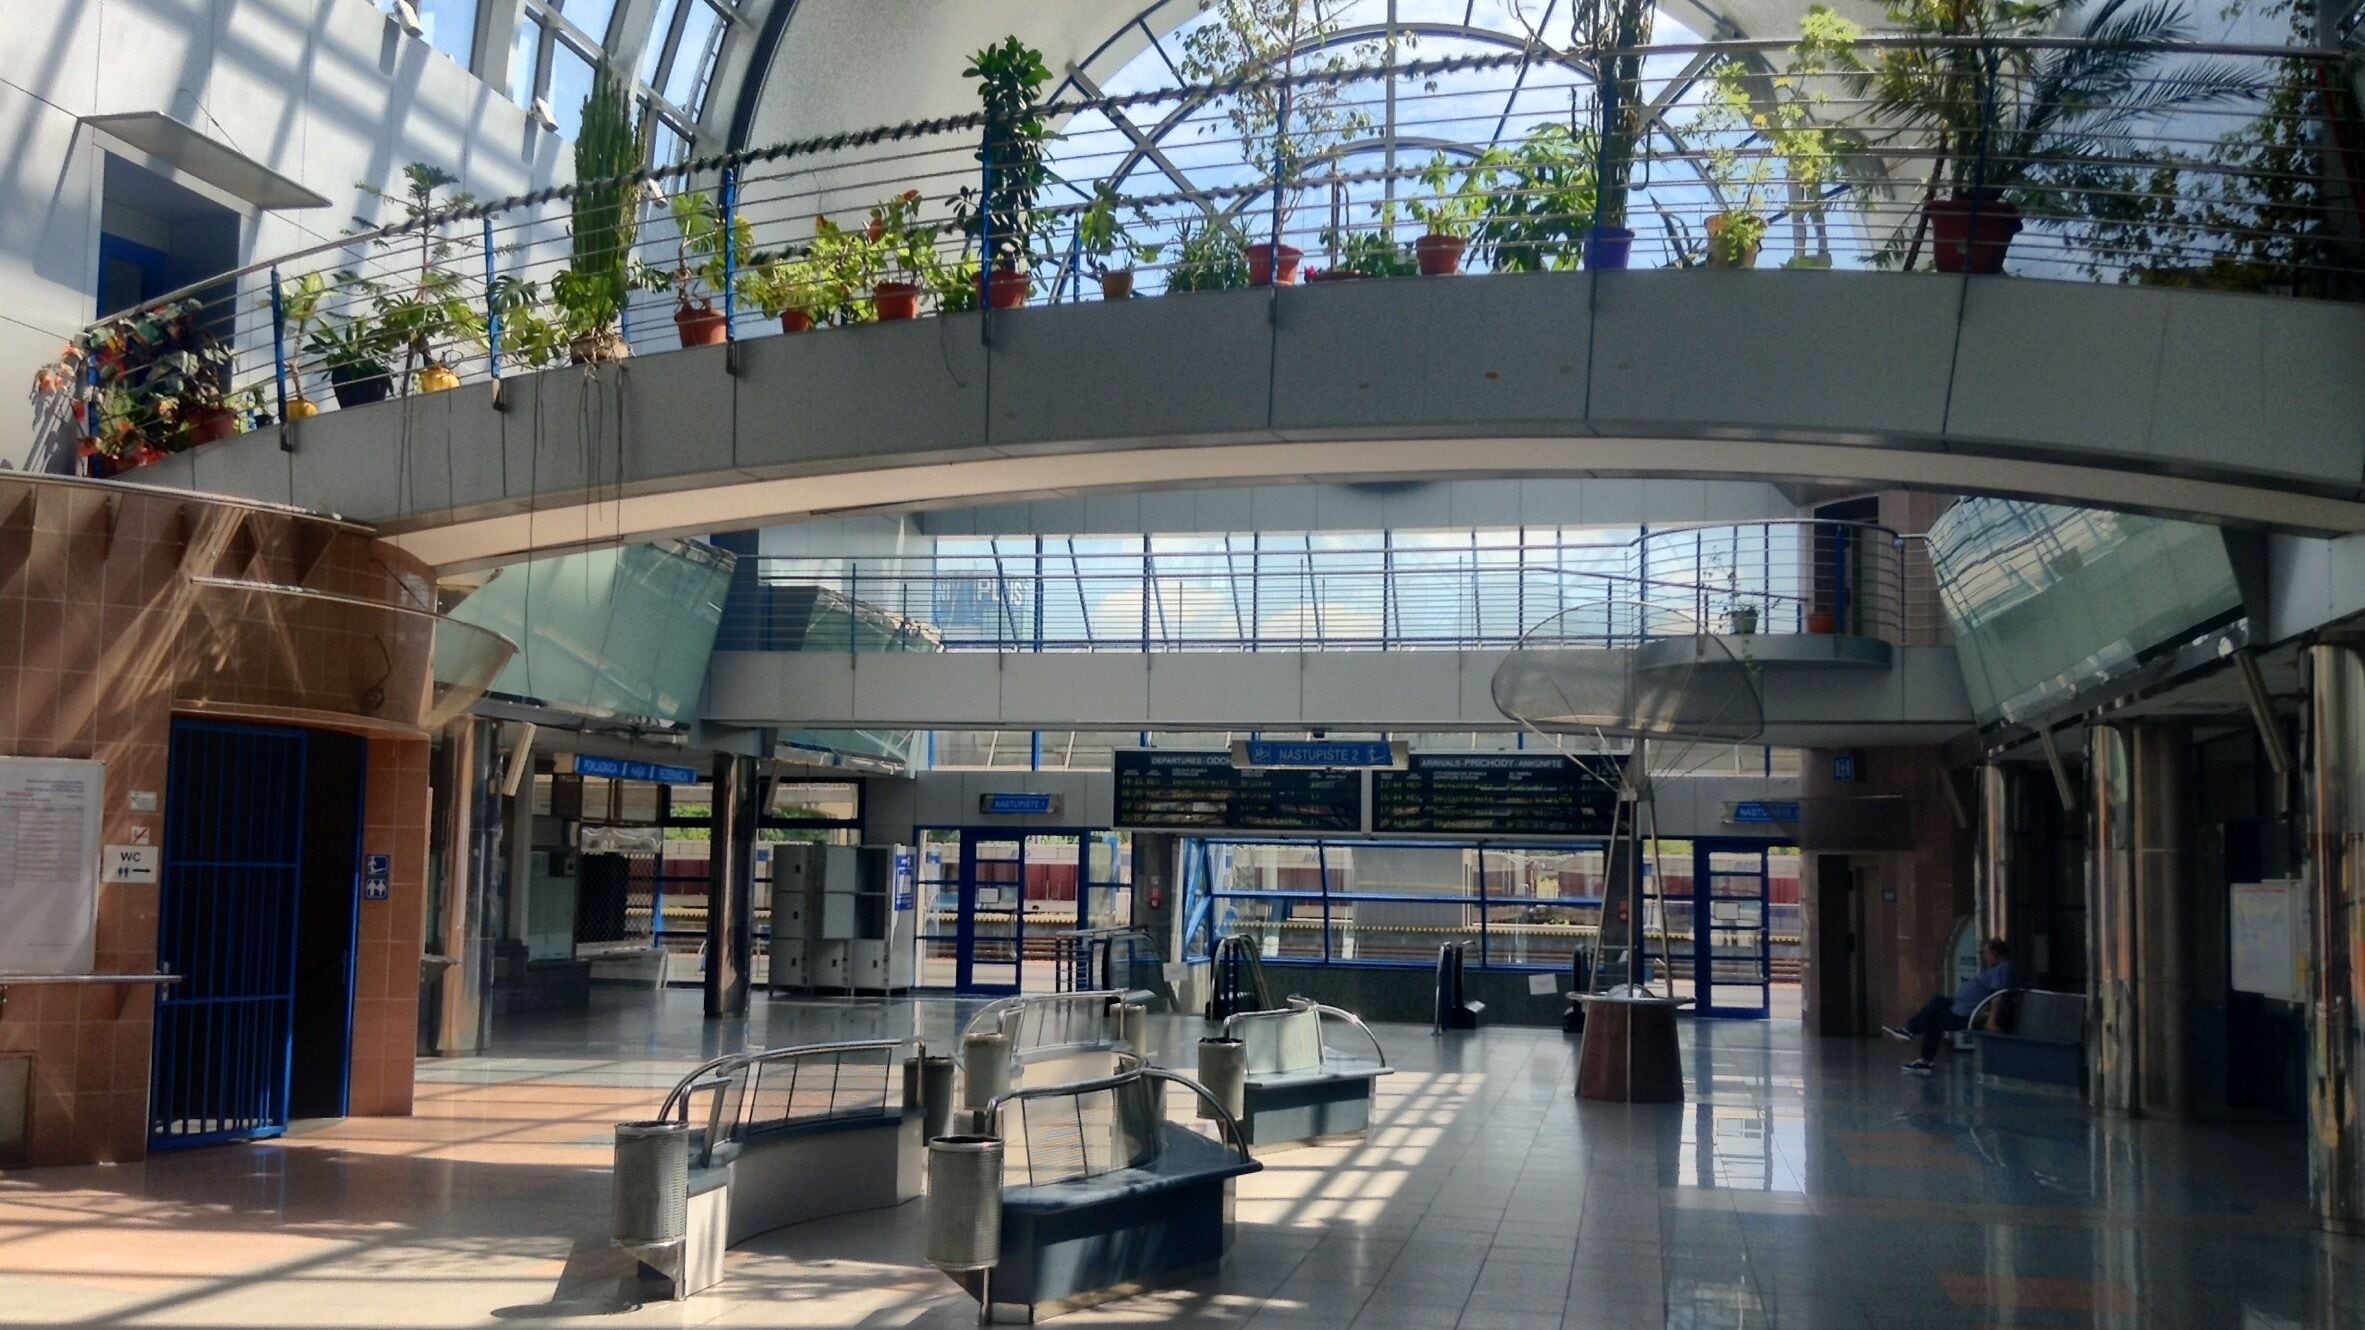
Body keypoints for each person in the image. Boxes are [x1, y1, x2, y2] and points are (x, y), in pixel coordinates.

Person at [1883, 938, 2014, 1072]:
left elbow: (1998, 994)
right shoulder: (1996, 968)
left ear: (1994, 953)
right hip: (1961, 1006)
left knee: (1934, 1020)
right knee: (1938, 1001)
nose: (1985, 957)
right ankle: (1910, 1032)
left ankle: (1919, 1049)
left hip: (1967, 1013)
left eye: (1986, 953)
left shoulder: (2003, 967)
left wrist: (1992, 1019)